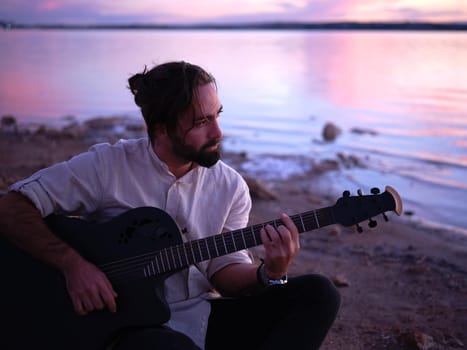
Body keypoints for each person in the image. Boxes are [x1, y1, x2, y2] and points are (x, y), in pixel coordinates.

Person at [0, 61, 340, 350]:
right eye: (201, 122)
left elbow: (225, 277)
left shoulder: (231, 186)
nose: (218, 132)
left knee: (318, 294)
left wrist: (270, 273)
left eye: (217, 115)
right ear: (161, 129)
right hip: (122, 328)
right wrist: (73, 266)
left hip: (201, 318)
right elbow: (11, 206)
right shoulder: (107, 165)